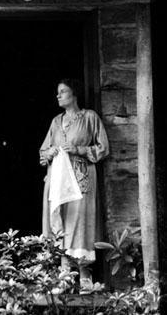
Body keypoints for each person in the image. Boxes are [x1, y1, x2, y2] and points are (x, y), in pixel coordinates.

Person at [39, 78, 109, 291]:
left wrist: (79, 150)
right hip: (59, 179)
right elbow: (43, 152)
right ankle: (64, 274)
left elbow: (103, 147)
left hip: (81, 177)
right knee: (62, 220)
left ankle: (85, 273)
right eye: (57, 92)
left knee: (81, 222)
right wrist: (50, 153)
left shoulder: (89, 118)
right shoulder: (55, 122)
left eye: (63, 92)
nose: (58, 96)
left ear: (74, 94)